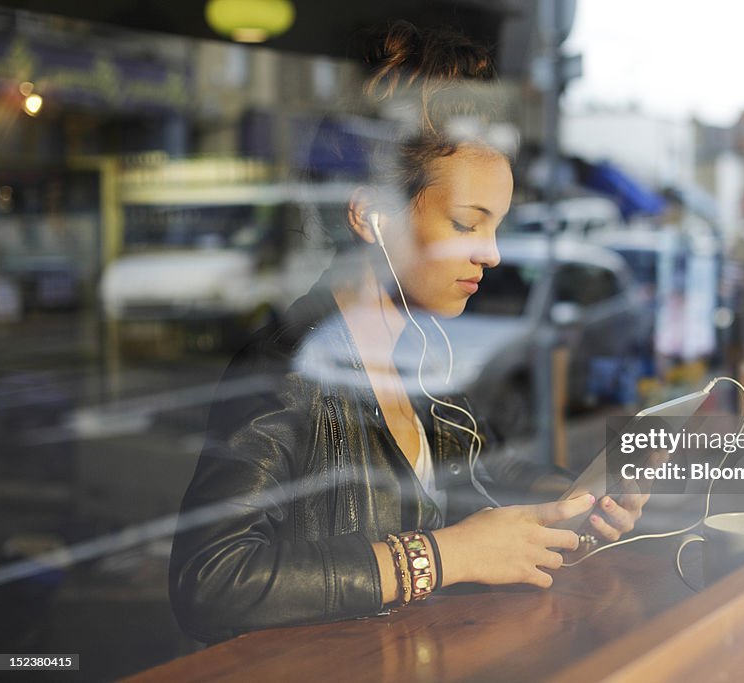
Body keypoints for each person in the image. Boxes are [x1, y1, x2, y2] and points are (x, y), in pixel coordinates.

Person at [169, 22, 650, 644]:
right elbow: (212, 579)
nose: (493, 254)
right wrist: (442, 557)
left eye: (497, 226)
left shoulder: (421, 356)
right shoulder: (291, 369)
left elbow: (478, 475)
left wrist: (578, 500)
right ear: (371, 216)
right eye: (466, 224)